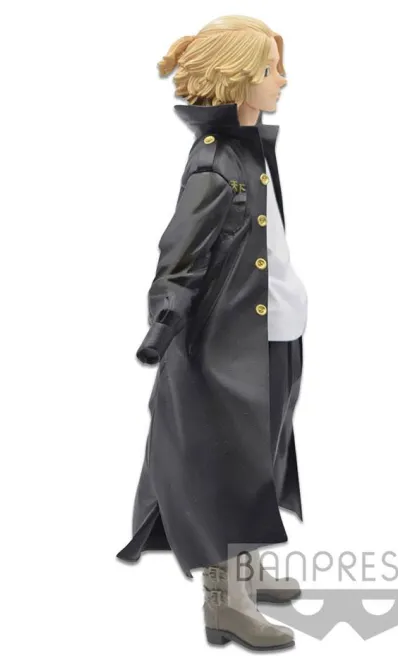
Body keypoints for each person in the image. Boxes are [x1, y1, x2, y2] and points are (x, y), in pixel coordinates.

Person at [116, 15, 309, 651]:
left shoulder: (250, 151)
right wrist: (163, 320)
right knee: (228, 469)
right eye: (270, 69)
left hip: (274, 336)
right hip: (228, 350)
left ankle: (245, 568)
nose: (282, 80)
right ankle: (226, 604)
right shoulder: (214, 165)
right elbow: (179, 257)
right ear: (236, 79)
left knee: (262, 458)